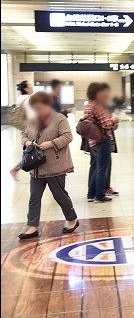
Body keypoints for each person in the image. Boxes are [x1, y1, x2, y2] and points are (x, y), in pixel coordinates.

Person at [18, 92, 79, 239]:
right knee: (34, 196)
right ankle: (32, 226)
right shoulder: (33, 120)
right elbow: (24, 134)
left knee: (59, 195)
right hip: (36, 167)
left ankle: (72, 219)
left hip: (55, 166)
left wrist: (51, 144)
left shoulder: (59, 118)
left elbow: (68, 136)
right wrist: (27, 142)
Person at [84, 82, 118, 203]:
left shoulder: (88, 105)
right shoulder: (97, 106)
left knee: (98, 167)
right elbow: (106, 124)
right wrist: (114, 120)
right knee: (102, 168)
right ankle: (99, 195)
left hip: (92, 140)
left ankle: (91, 194)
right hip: (102, 140)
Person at [9, 81, 35, 180]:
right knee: (34, 151)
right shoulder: (28, 99)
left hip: (24, 128)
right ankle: (15, 169)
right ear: (26, 88)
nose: (32, 87)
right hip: (30, 128)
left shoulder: (20, 98)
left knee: (30, 151)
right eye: (30, 85)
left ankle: (16, 170)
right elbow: (32, 115)